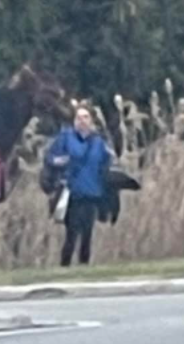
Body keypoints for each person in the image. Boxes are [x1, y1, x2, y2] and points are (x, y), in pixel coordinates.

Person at [45, 104, 112, 267]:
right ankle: (65, 265)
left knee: (87, 234)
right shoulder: (65, 138)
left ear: (91, 121)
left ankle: (84, 265)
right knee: (72, 233)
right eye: (78, 117)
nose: (82, 121)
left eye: (85, 117)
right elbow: (49, 158)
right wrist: (59, 161)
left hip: (92, 193)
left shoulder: (98, 142)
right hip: (72, 193)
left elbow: (107, 164)